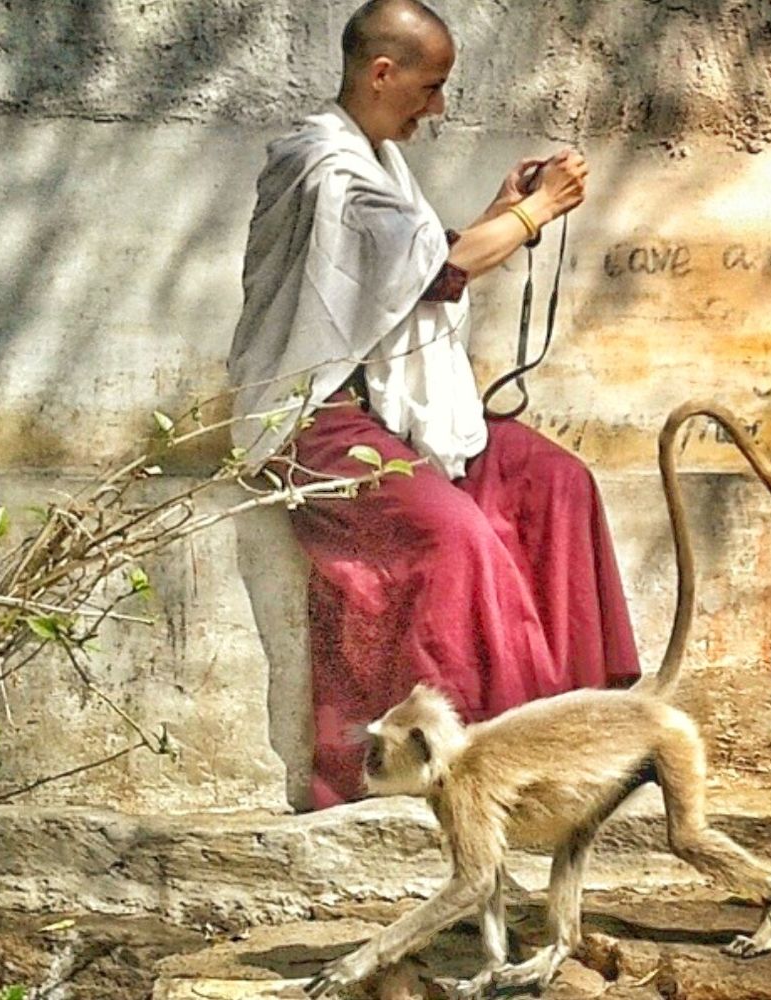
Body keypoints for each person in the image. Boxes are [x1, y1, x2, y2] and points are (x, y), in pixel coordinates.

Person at [228, 0, 640, 810]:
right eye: (432, 86)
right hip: (318, 415)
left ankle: (579, 737)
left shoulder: (377, 164)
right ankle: (474, 769)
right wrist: (534, 212)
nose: (439, 107)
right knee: (455, 538)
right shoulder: (319, 164)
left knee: (556, 482)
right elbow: (427, 271)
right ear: (383, 73)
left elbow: (412, 264)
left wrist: (500, 210)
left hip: (399, 409)